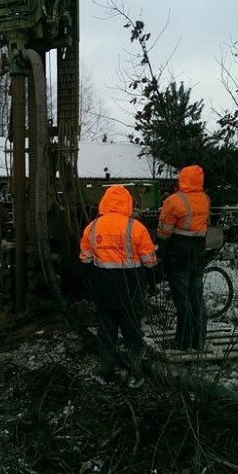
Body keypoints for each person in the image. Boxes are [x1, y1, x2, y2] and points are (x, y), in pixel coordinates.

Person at [79, 184, 158, 385]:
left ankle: (106, 373)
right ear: (128, 203)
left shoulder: (92, 227)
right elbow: (150, 261)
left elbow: (85, 259)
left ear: (104, 201)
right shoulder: (136, 227)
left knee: (106, 332)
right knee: (132, 332)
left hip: (104, 288)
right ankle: (135, 374)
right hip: (130, 289)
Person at [156, 165, 211, 351]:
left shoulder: (174, 200)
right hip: (198, 253)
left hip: (179, 254)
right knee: (197, 297)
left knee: (182, 299)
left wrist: (160, 253)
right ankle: (199, 340)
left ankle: (183, 341)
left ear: (183, 179)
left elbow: (164, 233)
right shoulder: (205, 199)